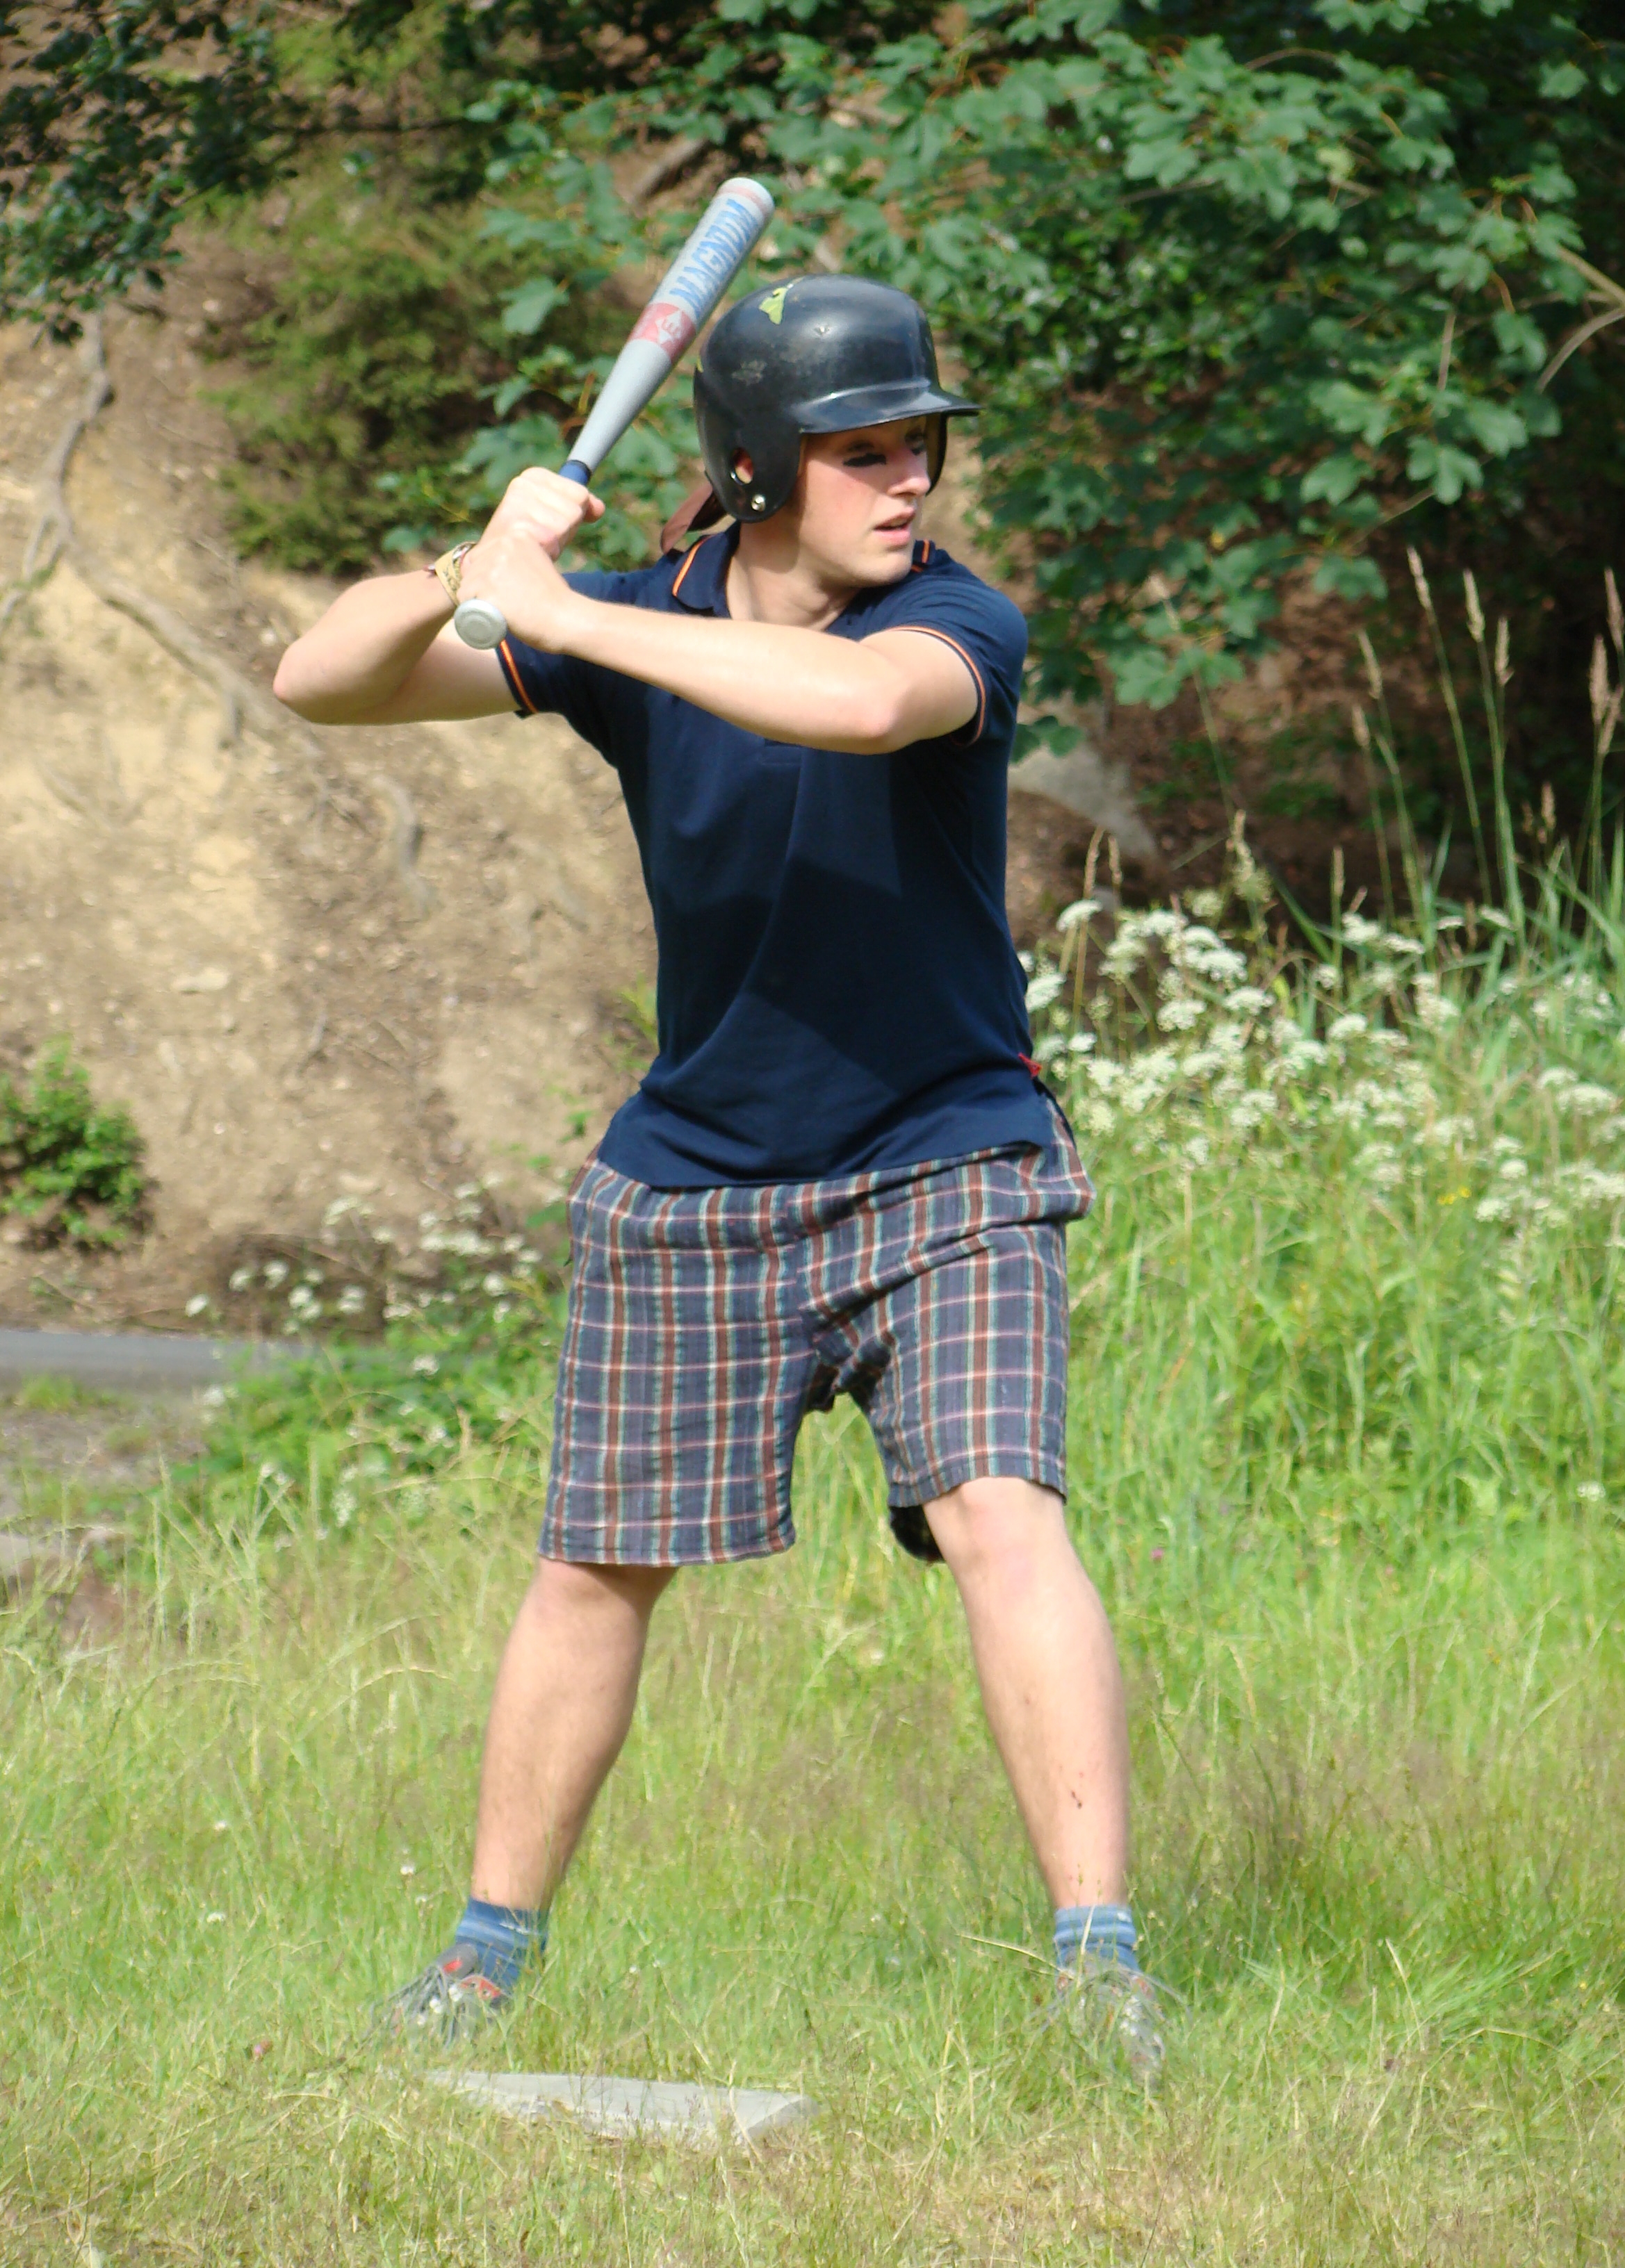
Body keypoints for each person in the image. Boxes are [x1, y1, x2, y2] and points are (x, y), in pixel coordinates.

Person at [273, 274, 1162, 2080]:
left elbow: (855, 706)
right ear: (757, 467)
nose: (909, 482)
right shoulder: (629, 616)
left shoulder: (955, 624)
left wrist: (573, 621)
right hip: (693, 1181)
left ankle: (1099, 1969)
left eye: (918, 446)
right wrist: (471, 568)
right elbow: (324, 683)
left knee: (1002, 1511)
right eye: (862, 453)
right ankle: (480, 1968)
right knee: (593, 1570)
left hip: (949, 1156)